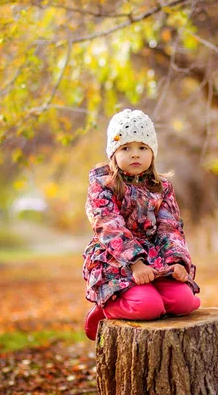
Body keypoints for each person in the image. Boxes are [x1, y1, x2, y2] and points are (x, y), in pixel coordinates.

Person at [82, 109, 200, 341]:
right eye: (126, 148)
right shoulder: (103, 184)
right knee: (147, 308)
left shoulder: (161, 187)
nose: (135, 154)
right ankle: (106, 306)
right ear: (113, 153)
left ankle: (152, 296)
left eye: (142, 148)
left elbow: (170, 227)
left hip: (155, 258)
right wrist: (135, 263)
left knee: (185, 301)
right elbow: (108, 224)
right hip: (116, 258)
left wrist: (176, 261)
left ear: (152, 153)